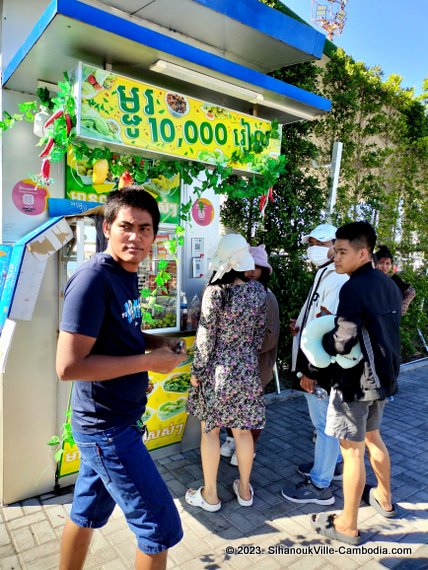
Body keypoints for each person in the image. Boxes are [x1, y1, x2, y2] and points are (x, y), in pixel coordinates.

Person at [56, 188, 186, 570]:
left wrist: (156, 343)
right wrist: (148, 362)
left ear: (154, 235)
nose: (136, 237)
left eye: (145, 229)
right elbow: (68, 366)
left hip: (114, 421)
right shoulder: (94, 279)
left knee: (85, 513)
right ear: (107, 226)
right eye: (126, 226)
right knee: (159, 529)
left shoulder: (127, 274)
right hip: (106, 429)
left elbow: (117, 334)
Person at [311, 221, 401, 545]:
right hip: (383, 379)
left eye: (342, 252)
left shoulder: (352, 287)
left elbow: (343, 340)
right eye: (335, 251)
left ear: (363, 253)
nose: (335, 257)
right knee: (375, 439)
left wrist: (320, 348)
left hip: (356, 382)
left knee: (351, 453)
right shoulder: (388, 284)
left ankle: (347, 524)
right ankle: (386, 499)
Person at [185, 234, 267, 511]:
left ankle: (210, 496)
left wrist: (197, 371)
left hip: (217, 372)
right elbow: (258, 337)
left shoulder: (215, 292)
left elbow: (206, 339)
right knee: (243, 432)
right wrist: (246, 357)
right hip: (247, 368)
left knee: (211, 431)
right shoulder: (258, 292)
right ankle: (244, 491)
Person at [281, 223, 348, 506]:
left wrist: (311, 371)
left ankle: (320, 484)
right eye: (311, 243)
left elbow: (330, 327)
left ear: (335, 245)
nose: (314, 249)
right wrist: (301, 324)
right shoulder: (325, 272)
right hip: (314, 361)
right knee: (323, 424)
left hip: (320, 366)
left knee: (325, 425)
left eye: (319, 244)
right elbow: (317, 316)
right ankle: (327, 467)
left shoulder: (338, 277)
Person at [220, 244, 280, 466]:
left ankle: (248, 448)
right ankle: (232, 439)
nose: (252, 271)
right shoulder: (235, 292)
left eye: (257, 267)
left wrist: (239, 343)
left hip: (257, 366)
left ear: (264, 271)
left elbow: (270, 337)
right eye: (248, 266)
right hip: (236, 365)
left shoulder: (267, 297)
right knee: (232, 406)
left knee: (251, 412)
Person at [374, 245, 416, 315]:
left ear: (391, 265)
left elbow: (411, 292)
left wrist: (400, 310)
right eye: (381, 262)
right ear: (375, 263)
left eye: (387, 263)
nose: (384, 266)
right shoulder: (370, 277)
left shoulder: (393, 278)